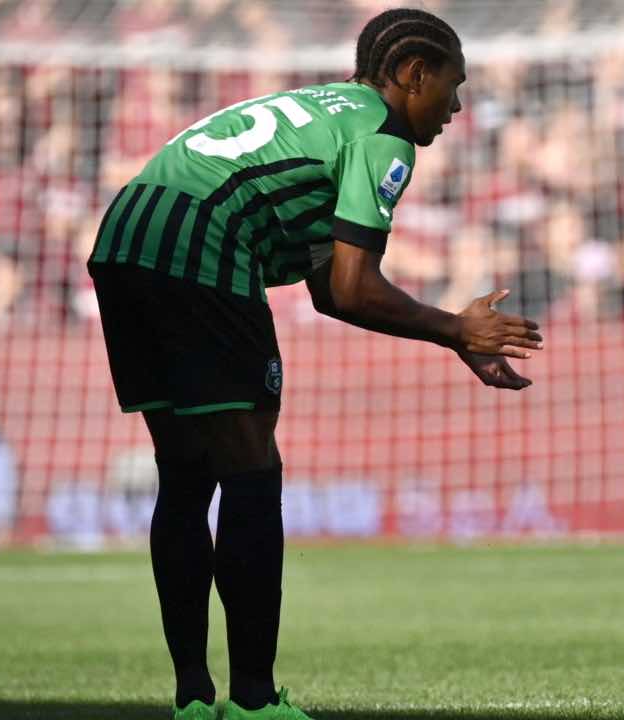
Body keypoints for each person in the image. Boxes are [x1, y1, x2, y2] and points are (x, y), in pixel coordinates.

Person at [85, 8, 542, 720]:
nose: (456, 106)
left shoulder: (321, 108)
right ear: (413, 74)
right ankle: (256, 702)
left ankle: (194, 700)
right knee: (251, 470)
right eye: (451, 86)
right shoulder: (384, 133)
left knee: (185, 475)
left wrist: (455, 338)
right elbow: (358, 287)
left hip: (127, 232)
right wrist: (458, 325)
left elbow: (331, 293)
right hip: (204, 241)